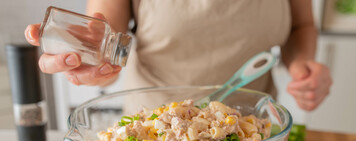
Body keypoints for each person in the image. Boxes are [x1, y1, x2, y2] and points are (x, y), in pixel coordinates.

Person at [25, 0, 332, 111]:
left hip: (252, 130)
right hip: (155, 130)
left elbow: (301, 26)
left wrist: (302, 63)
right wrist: (90, 57)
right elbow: (106, 39)